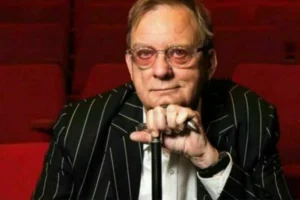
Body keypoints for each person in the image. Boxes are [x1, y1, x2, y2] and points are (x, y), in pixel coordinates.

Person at [32, 0, 292, 199]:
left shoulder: (252, 117)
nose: (160, 71)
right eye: (145, 54)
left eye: (179, 53)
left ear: (209, 63)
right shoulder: (79, 127)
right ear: (130, 65)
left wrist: (209, 161)